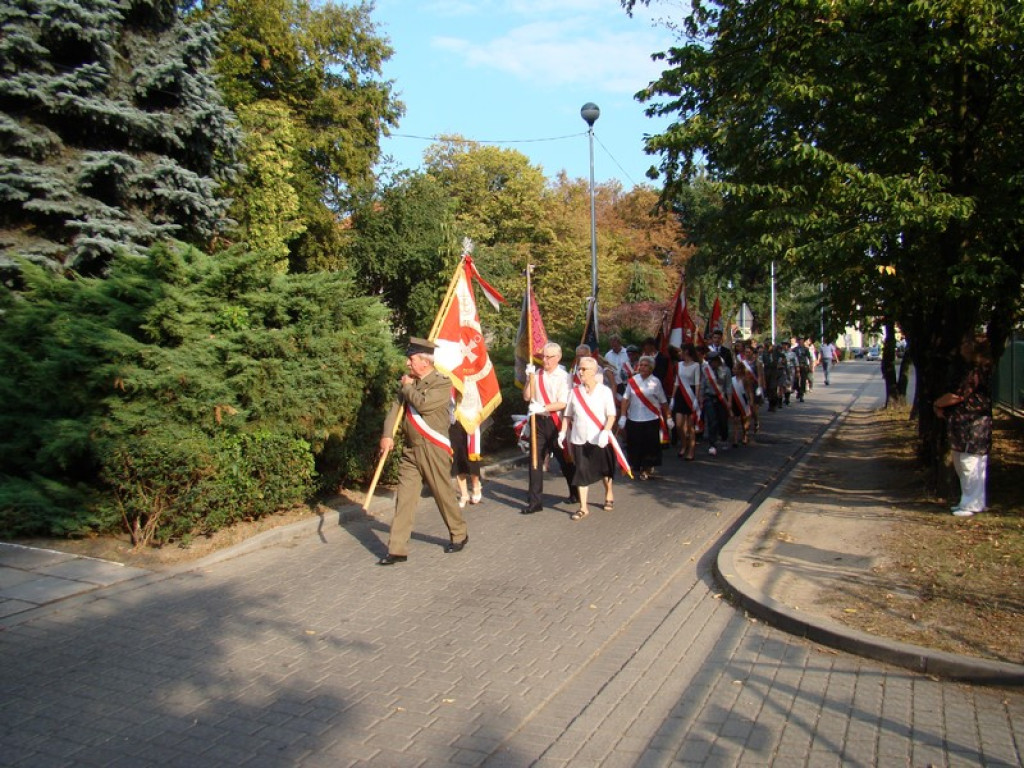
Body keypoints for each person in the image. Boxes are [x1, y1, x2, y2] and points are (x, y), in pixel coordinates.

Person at [378, 338, 468, 565]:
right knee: (405, 499)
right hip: (411, 449)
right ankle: (397, 549)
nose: (408, 363)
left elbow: (425, 406)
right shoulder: (409, 384)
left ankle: (459, 534)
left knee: (443, 494)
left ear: (424, 362)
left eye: (411, 359)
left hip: (433, 447)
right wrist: (387, 435)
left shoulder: (441, 383)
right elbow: (395, 410)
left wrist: (408, 388)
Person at [934, 337, 993, 517]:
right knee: (963, 462)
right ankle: (969, 501)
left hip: (972, 425)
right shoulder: (973, 370)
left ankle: (971, 504)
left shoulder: (975, 372)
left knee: (970, 463)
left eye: (966, 345)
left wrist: (937, 404)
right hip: (965, 424)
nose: (962, 348)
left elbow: (958, 395)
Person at [561, 355, 618, 520]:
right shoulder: (574, 392)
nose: (580, 372)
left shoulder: (604, 391)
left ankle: (608, 492)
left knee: (605, 470)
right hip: (579, 438)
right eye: (579, 368)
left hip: (599, 438)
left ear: (593, 371)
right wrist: (562, 433)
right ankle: (583, 507)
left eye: (583, 369)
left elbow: (611, 416)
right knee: (581, 472)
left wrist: (606, 431)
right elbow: (567, 416)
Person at [522, 342, 575, 514]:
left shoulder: (564, 376)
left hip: (555, 422)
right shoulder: (537, 374)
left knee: (564, 459)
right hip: (538, 421)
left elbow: (562, 403)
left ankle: (574, 491)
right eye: (543, 356)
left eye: (548, 357)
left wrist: (543, 407)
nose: (544, 360)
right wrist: (529, 378)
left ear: (558, 358)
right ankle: (535, 501)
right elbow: (527, 396)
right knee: (534, 461)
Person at [619, 355, 670, 479]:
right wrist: (623, 416)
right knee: (634, 443)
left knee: (649, 445)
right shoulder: (633, 381)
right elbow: (626, 399)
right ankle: (636, 465)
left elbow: (663, 401)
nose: (642, 367)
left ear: (651, 368)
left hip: (651, 418)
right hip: (634, 418)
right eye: (641, 365)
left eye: (646, 365)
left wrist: (668, 417)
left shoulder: (655, 382)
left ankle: (646, 468)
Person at [671, 343, 702, 461]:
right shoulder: (678, 365)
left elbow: (697, 383)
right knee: (678, 424)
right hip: (680, 394)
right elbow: (676, 382)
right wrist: (673, 398)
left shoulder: (695, 366)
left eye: (681, 351)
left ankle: (691, 451)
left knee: (690, 426)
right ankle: (684, 444)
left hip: (691, 394)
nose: (680, 353)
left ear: (687, 352)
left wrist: (696, 398)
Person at [701, 349, 733, 455]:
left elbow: (728, 387)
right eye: (709, 361)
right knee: (711, 421)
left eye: (713, 361)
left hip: (722, 398)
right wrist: (701, 399)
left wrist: (729, 401)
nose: (711, 364)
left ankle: (724, 437)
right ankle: (712, 444)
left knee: (723, 421)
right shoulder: (706, 370)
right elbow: (702, 385)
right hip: (709, 397)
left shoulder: (726, 370)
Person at [449, 416, 483, 509]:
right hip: (453, 421)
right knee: (457, 457)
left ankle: (476, 486)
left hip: (470, 420)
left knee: (471, 457)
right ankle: (464, 494)